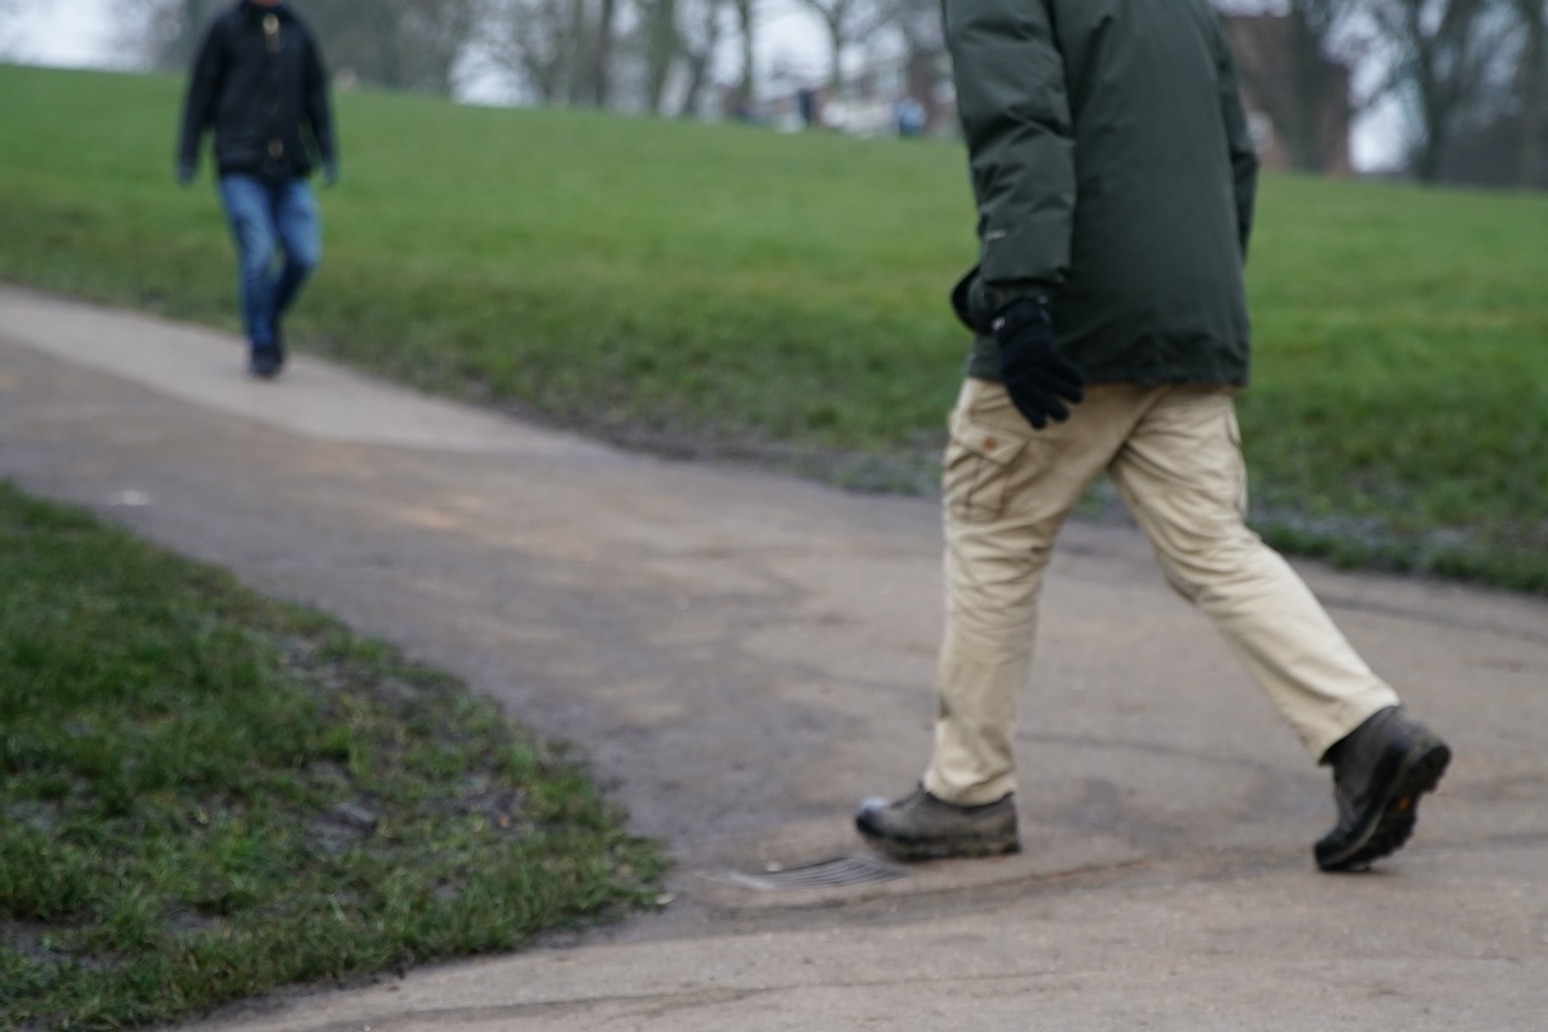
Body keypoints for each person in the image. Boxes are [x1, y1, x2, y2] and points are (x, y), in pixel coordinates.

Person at [855, 0, 1450, 873]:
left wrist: (1018, 295)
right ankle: (1367, 733)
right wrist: (1185, 297)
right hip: (1191, 309)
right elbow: (1236, 158)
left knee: (994, 528)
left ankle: (966, 794)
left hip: (1072, 311)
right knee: (1216, 545)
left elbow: (1020, 122)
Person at [176, 0, 337, 379]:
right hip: (240, 165)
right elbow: (200, 93)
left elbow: (316, 95)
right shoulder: (226, 28)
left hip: (290, 168)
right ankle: (263, 342)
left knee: (305, 254)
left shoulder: (297, 29)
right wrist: (188, 153)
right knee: (259, 253)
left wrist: (327, 152)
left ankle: (264, 317)